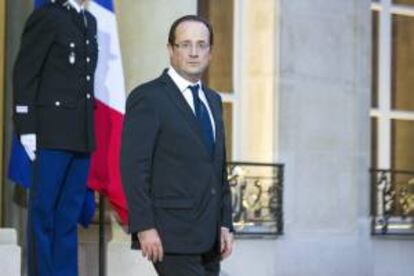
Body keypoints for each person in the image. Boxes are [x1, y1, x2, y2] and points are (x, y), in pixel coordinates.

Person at [121, 15, 234, 276]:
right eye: (185, 44)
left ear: (210, 51)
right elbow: (133, 168)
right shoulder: (148, 97)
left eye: (201, 44)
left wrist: (225, 223)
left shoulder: (213, 100)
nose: (194, 52)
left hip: (210, 239)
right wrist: (144, 226)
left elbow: (218, 168)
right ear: (171, 50)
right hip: (169, 236)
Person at [12, 0, 98, 275]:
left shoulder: (89, 21)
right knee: (43, 216)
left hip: (79, 135)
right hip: (50, 135)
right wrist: (26, 126)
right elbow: (25, 73)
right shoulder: (47, 16)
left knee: (67, 218)